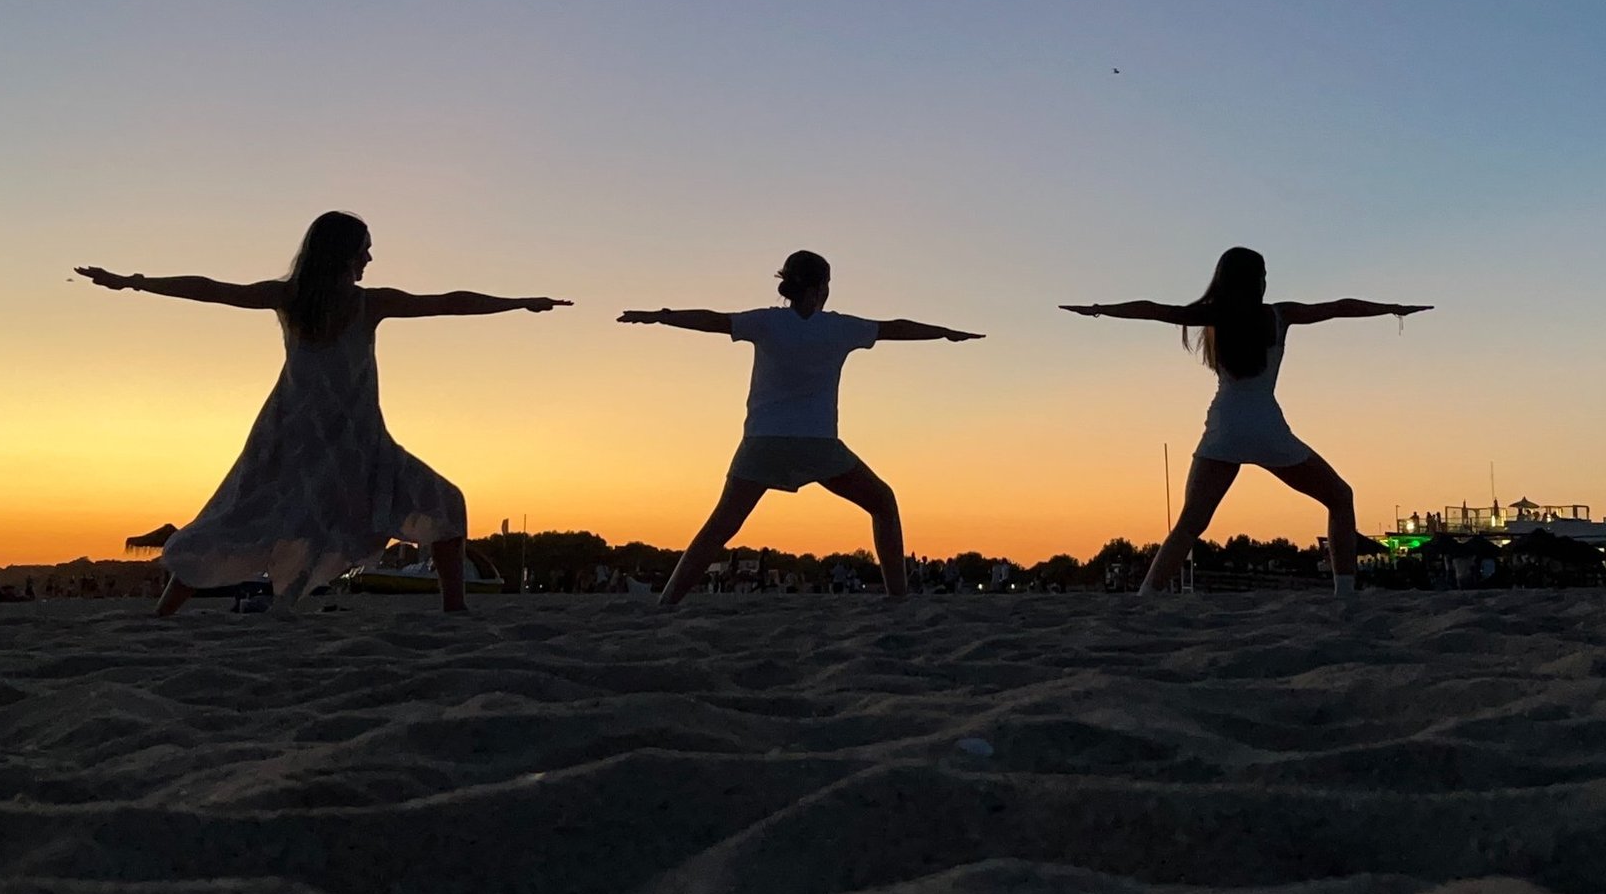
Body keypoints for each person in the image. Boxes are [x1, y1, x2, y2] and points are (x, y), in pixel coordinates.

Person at [79, 211, 568, 615]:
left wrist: (519, 303)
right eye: (365, 249)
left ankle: (454, 609)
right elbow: (210, 288)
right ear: (343, 252)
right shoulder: (290, 298)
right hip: (290, 437)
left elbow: (449, 303)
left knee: (445, 503)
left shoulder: (367, 304)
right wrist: (132, 282)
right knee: (239, 518)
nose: (370, 258)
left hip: (359, 443)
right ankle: (164, 612)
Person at [622, 251, 980, 609]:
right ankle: (898, 598)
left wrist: (658, 317)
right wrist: (944, 334)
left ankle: (667, 603)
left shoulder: (767, 322)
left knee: (720, 528)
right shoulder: (839, 327)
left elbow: (712, 320)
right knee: (883, 503)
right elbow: (895, 328)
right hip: (818, 446)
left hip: (764, 444)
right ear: (822, 287)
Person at [1063, 247, 1427, 596]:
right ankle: (1344, 593)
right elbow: (1337, 308)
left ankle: (1148, 594)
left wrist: (1098, 310)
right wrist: (1393, 309)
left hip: (1225, 428)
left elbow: (1154, 310)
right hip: (1268, 428)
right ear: (1258, 282)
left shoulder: (1214, 316)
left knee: (1190, 523)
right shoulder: (1279, 315)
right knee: (1340, 498)